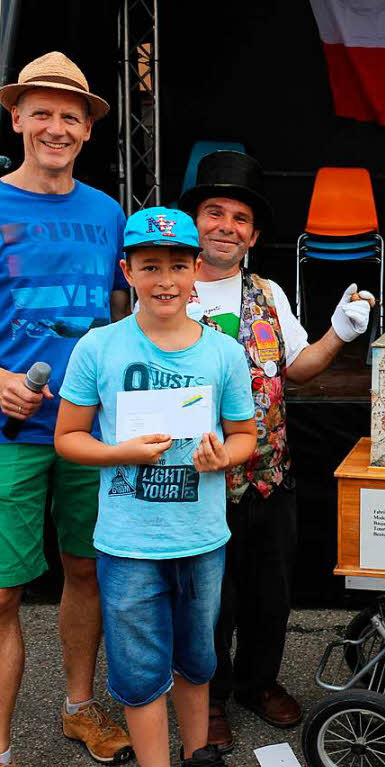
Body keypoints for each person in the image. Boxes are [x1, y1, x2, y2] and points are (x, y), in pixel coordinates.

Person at [177, 150, 374, 749]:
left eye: (240, 218)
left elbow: (298, 370)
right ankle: (208, 694)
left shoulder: (268, 293)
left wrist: (338, 332)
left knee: (270, 592)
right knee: (210, 597)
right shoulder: (168, 292)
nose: (226, 227)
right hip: (197, 477)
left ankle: (258, 683)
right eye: (215, 213)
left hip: (268, 473)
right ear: (195, 223)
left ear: (254, 235)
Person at [54, 206, 258, 767]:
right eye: (149, 266)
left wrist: (223, 457)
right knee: (140, 672)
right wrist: (120, 450)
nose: (164, 280)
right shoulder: (99, 348)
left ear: (196, 271)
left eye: (176, 266)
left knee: (196, 662)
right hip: (128, 543)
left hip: (201, 538)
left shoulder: (224, 353)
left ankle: (197, 754)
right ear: (127, 272)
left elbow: (245, 437)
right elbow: (68, 437)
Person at [0, 51, 132, 766]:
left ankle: (81, 707)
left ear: (87, 131)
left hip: (87, 431)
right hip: (7, 433)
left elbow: (119, 318)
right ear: (16, 116)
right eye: (41, 112)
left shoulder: (108, 213)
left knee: (85, 571)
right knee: (1, 592)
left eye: (69, 116)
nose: (55, 126)